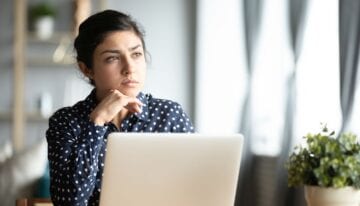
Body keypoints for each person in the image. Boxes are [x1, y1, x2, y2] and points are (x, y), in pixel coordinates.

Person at [46, 9, 194, 206]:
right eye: (112, 58)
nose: (129, 68)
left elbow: (193, 188)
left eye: (136, 54)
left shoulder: (169, 115)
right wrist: (96, 122)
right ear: (87, 69)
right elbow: (69, 201)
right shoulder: (66, 121)